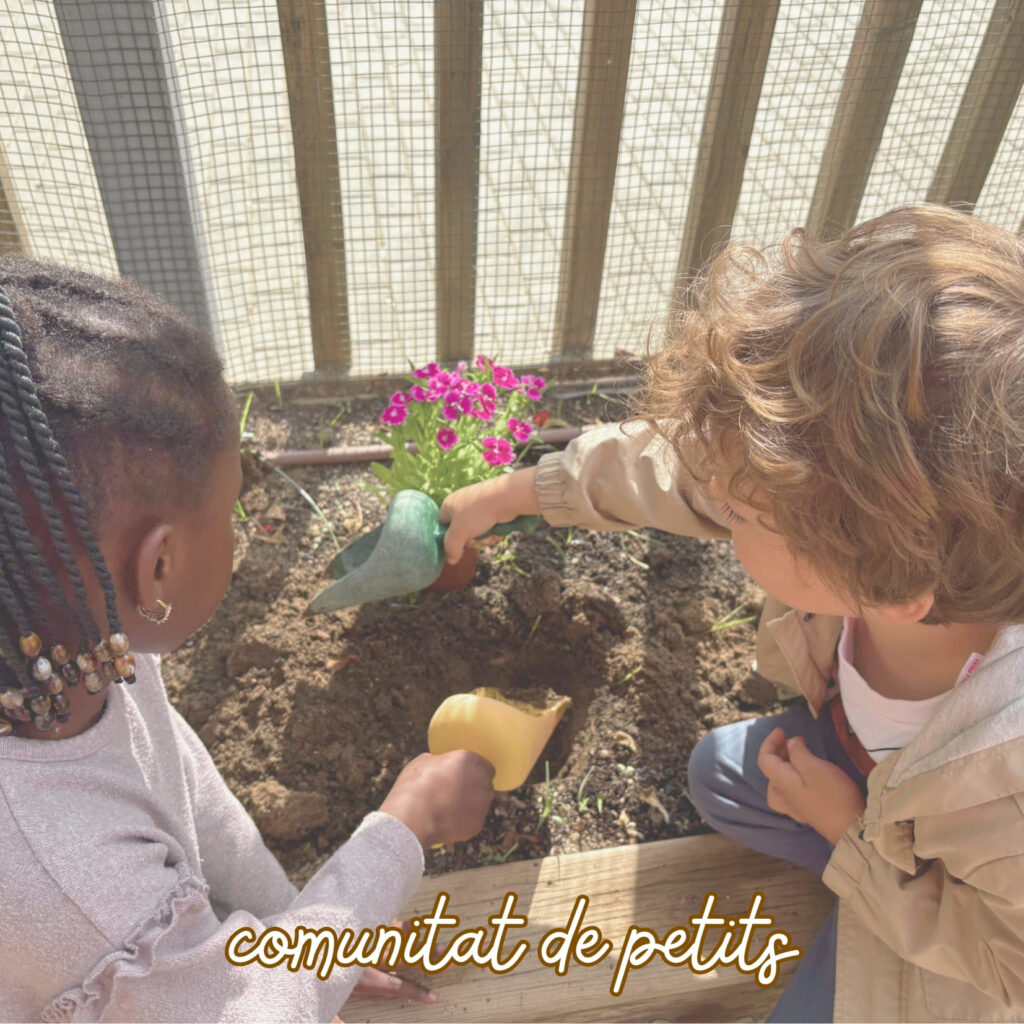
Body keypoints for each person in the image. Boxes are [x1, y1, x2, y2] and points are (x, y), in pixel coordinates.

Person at [441, 205, 1024, 1022]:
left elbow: (1006, 960)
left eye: (743, 514)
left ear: (891, 595)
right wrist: (522, 492)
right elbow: (686, 467)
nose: (717, 498)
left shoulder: (1005, 792)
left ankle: (870, 917)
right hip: (874, 786)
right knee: (718, 775)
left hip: (964, 931)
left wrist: (851, 838)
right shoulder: (871, 528)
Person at [0, 255, 495, 1022]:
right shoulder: (74, 886)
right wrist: (403, 831)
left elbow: (183, 784)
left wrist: (304, 938)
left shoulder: (68, 644)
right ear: (159, 567)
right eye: (232, 509)